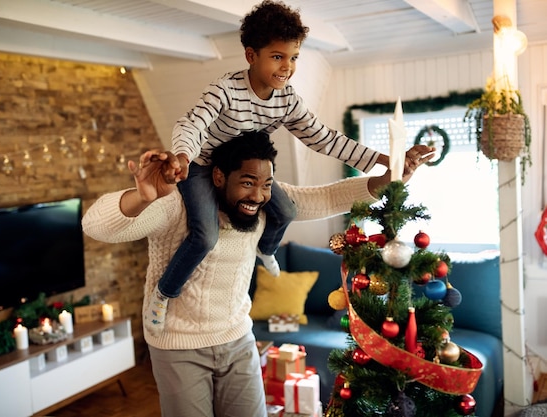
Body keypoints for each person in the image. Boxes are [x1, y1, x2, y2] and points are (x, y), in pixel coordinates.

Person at [81, 131, 434, 417]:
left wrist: (389, 179)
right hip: (178, 346)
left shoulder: (263, 205)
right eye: (247, 182)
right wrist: (141, 198)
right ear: (219, 176)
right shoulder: (176, 207)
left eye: (266, 184)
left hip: (237, 340)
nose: (258, 196)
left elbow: (326, 198)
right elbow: (95, 225)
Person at [147, 0, 411, 337]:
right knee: (205, 236)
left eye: (294, 57)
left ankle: (266, 250)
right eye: (277, 56)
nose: (287, 67)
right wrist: (183, 157)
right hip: (202, 165)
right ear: (251, 55)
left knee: (284, 210)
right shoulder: (225, 90)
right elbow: (192, 124)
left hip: (248, 173)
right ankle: (164, 293)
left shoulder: (286, 99)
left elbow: (323, 139)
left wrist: (385, 160)